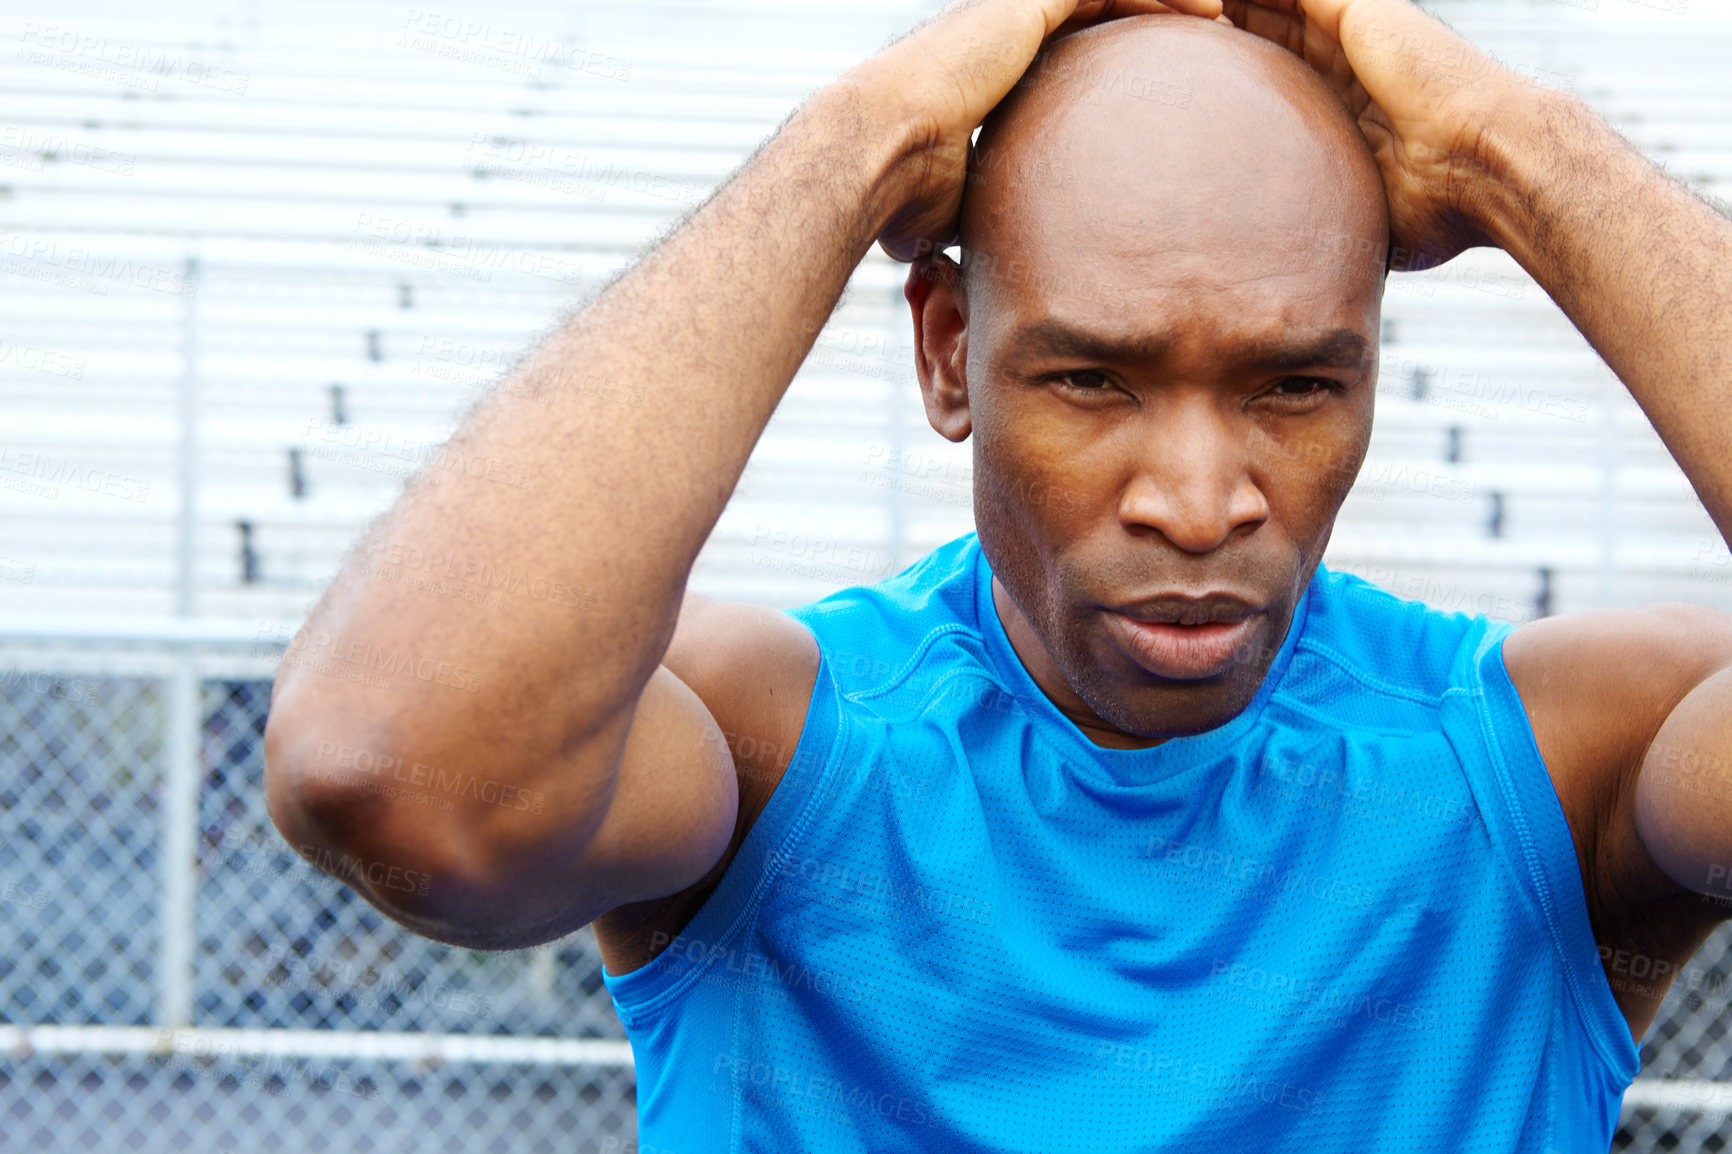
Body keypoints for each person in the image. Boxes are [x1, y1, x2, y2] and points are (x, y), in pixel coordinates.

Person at [261, 0, 1732, 1148]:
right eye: (1093, 378)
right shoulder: (787, 753)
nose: (1199, 499)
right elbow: (396, 771)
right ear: (951, 353)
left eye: (1293, 385)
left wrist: (1516, 153)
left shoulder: (1550, 771)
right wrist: (863, 140)